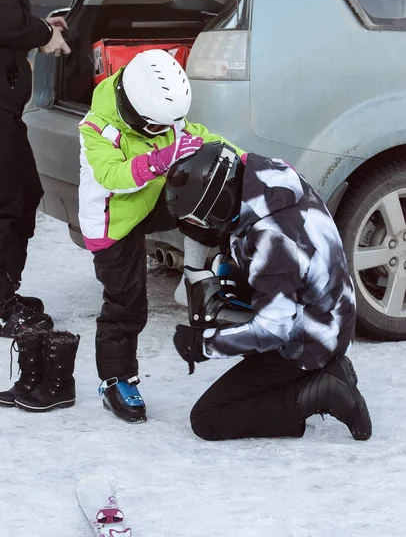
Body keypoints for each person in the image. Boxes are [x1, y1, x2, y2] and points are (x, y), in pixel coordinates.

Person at [78, 48, 244, 423]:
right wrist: (160, 158)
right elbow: (111, 177)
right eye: (156, 128)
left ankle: (200, 276)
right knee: (126, 303)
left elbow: (201, 138)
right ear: (133, 111)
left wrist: (249, 160)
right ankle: (116, 380)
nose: (164, 133)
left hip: (148, 202)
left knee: (209, 188)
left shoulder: (160, 115)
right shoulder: (96, 129)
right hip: (112, 223)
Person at [167, 141, 372, 441]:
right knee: (226, 310)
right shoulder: (264, 175)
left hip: (310, 338)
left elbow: (273, 330)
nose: (202, 227)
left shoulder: (273, 242)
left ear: (221, 204)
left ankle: (323, 390)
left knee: (207, 418)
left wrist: (205, 345)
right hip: (328, 310)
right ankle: (313, 379)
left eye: (203, 219)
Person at [0, 0, 71, 338]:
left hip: (7, 103)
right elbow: (3, 15)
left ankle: (5, 292)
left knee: (24, 194)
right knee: (6, 201)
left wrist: (42, 26)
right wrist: (40, 33)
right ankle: (1, 305)